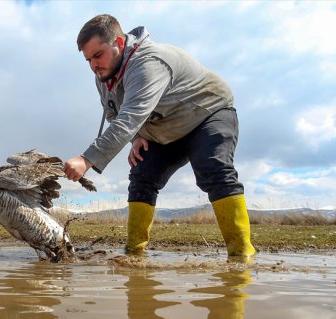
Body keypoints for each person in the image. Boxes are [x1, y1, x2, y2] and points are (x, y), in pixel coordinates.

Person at [63, 14, 256, 257]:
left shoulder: (149, 63)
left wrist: (86, 159)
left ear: (120, 44)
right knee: (142, 175)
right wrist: (136, 138)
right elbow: (114, 113)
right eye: (88, 59)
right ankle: (134, 255)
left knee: (212, 167)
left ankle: (241, 256)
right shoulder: (102, 75)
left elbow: (129, 117)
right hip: (164, 128)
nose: (93, 65)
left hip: (206, 113)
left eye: (98, 55)